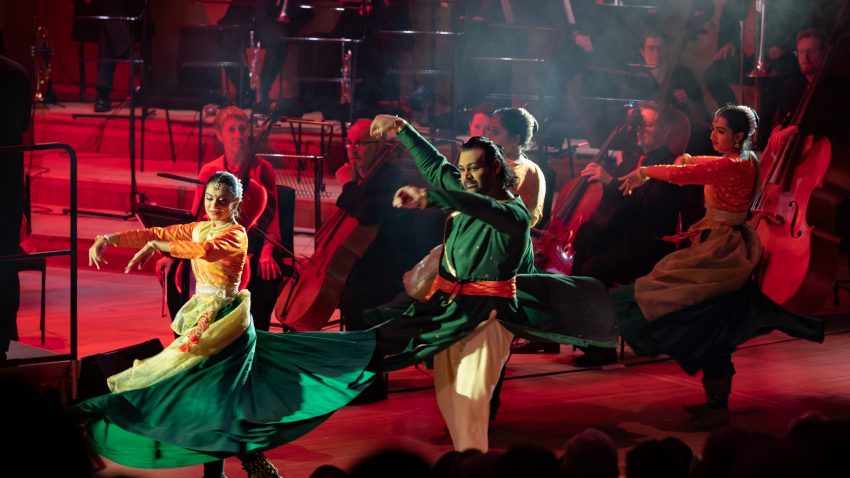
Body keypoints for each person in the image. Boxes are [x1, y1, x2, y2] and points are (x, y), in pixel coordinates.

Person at [80, 171, 375, 478]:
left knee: (217, 399)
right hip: (202, 317)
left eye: (222, 200)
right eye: (210, 198)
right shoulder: (200, 227)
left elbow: (204, 251)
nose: (214, 205)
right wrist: (111, 239)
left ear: (236, 203)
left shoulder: (236, 235)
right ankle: (243, 465)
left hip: (227, 323)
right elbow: (158, 232)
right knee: (211, 400)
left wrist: (161, 246)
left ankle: (239, 466)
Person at [367, 114, 619, 452]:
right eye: (464, 169)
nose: (465, 176)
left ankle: (473, 460)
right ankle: (467, 457)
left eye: (474, 168)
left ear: (496, 168)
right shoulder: (466, 187)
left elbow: (483, 207)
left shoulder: (513, 212)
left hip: (491, 314)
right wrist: (403, 128)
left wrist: (435, 198)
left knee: (471, 398)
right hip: (453, 309)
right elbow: (437, 167)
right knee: (451, 398)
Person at [614, 105, 824, 427]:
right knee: (713, 329)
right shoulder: (744, 158)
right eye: (713, 128)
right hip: (720, 247)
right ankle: (715, 404)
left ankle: (717, 406)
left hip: (721, 253)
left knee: (708, 324)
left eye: (721, 131)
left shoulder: (734, 165)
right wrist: (686, 160)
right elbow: (700, 164)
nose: (713, 135)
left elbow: (684, 176)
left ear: (738, 137)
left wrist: (645, 172)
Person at [183, 106, 283, 332]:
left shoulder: (263, 169)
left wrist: (267, 252)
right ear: (219, 135)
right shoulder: (209, 171)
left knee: (264, 279)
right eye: (231, 130)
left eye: (242, 129)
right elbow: (197, 219)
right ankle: (196, 338)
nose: (238, 134)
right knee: (177, 272)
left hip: (254, 245)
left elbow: (273, 218)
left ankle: (253, 339)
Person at [624, 28, 712, 154]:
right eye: (651, 49)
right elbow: (628, 113)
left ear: (667, 50)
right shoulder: (637, 79)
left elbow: (702, 115)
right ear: (643, 52)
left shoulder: (684, 75)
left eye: (660, 48)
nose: (656, 54)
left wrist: (687, 101)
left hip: (684, 139)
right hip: (647, 140)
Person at [0, 54, 31, 362]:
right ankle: (7, 337)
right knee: (6, 261)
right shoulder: (17, 73)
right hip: (8, 182)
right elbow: (23, 124)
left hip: (7, 183)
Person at [766, 28, 827, 153]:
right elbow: (786, 119)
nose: (805, 57)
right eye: (801, 52)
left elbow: (829, 122)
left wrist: (796, 129)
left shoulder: (838, 87)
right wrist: (780, 128)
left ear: (823, 54)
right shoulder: (790, 86)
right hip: (795, 151)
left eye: (811, 51)